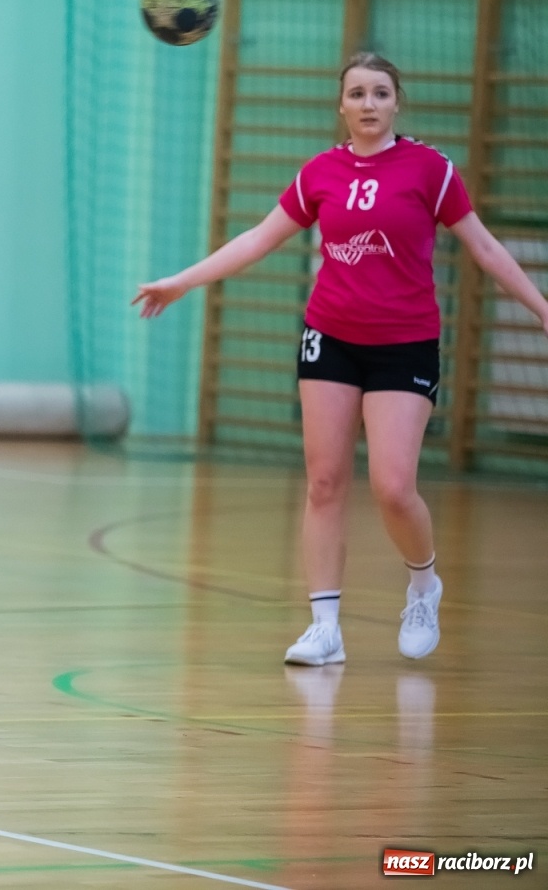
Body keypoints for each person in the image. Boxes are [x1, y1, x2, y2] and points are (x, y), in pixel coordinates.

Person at [134, 52, 548, 666]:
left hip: (404, 343)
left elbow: (484, 247)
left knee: (392, 486)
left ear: (396, 102)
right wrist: (181, 281)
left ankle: (423, 583)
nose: (369, 104)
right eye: (357, 94)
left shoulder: (430, 170)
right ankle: (324, 627)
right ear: (342, 106)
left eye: (380, 93)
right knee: (325, 481)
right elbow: (256, 239)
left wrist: (543, 309)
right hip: (330, 338)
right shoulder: (320, 173)